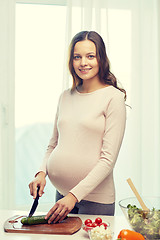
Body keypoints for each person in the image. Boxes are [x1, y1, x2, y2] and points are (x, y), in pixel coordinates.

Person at [29, 31, 126, 224]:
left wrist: (74, 196)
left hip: (95, 200)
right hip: (63, 197)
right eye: (77, 57)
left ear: (101, 58)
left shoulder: (113, 98)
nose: (83, 62)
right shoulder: (65, 96)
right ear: (71, 61)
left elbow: (108, 160)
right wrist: (41, 172)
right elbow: (53, 144)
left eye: (90, 56)